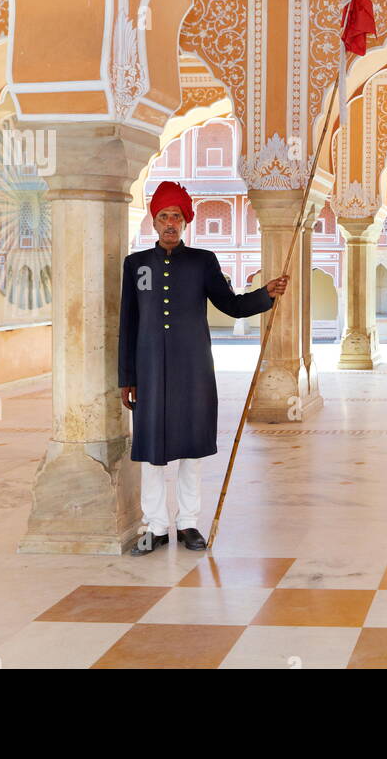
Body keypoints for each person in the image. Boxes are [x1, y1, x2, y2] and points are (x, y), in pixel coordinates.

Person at [120, 180, 289, 556]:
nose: (170, 223)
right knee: (151, 453)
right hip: (147, 372)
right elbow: (127, 324)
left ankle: (188, 523)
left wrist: (266, 294)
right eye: (163, 216)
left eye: (176, 217)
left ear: (185, 222)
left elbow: (231, 305)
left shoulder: (202, 261)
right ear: (154, 221)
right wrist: (126, 378)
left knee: (190, 450)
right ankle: (156, 526)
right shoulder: (136, 265)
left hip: (193, 370)